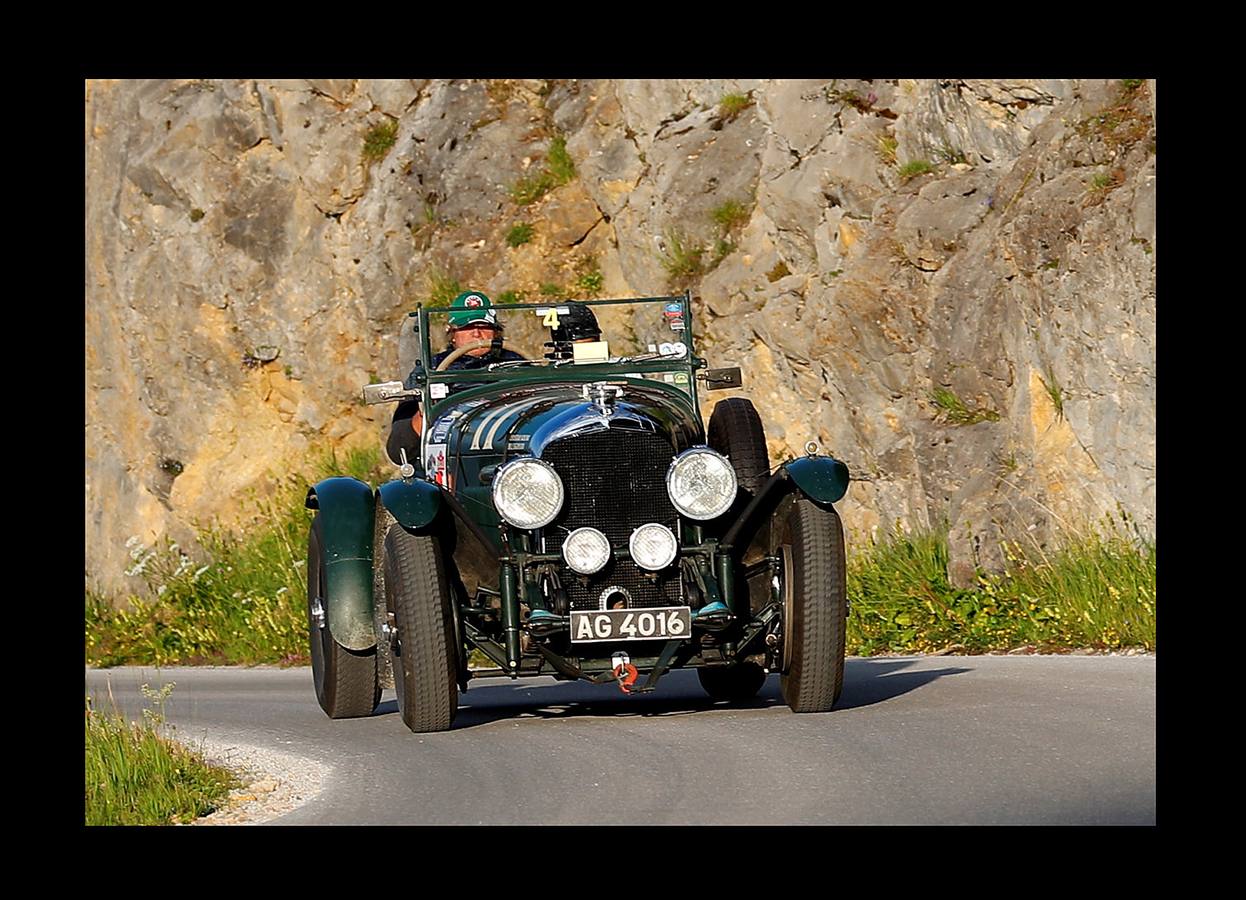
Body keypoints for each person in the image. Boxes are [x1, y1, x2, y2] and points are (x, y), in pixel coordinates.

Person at [386, 290, 524, 466]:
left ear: (495, 331)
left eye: (483, 326)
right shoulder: (432, 369)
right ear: (453, 333)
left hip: (512, 455)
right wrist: (428, 409)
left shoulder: (517, 363)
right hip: (453, 458)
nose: (476, 334)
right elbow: (399, 449)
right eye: (467, 327)